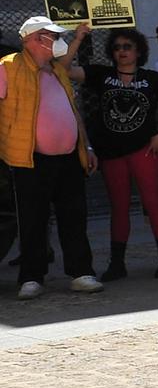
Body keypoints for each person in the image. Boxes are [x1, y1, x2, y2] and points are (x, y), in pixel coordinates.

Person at [2, 15, 102, 297]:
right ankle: (32, 278)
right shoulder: (8, 67)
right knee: (33, 219)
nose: (57, 41)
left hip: (69, 157)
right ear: (33, 39)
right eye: (51, 36)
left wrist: (87, 146)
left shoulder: (57, 70)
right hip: (30, 158)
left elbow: (72, 111)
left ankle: (81, 272)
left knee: (74, 216)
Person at [78, 25, 158, 280]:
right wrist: (78, 37)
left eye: (127, 47)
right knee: (118, 207)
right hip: (111, 152)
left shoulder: (152, 78)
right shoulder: (101, 75)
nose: (121, 51)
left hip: (145, 148)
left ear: (138, 50)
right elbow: (63, 69)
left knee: (153, 202)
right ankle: (117, 263)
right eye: (117, 47)